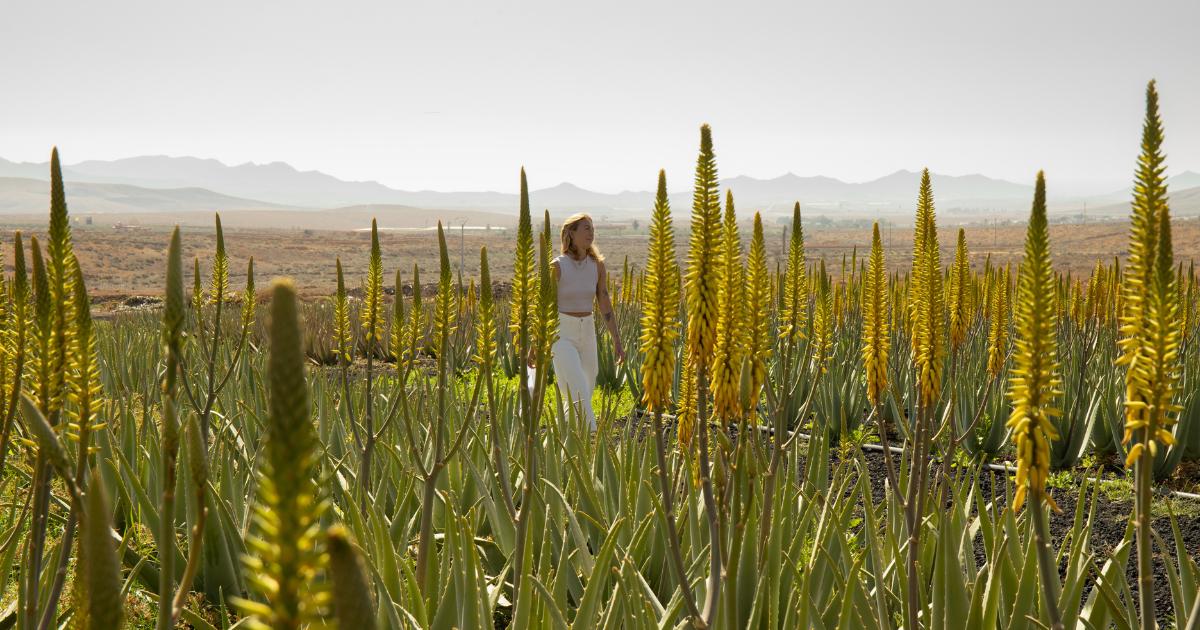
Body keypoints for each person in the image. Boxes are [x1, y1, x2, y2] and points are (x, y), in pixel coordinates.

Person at [531, 213, 625, 431]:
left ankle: (566, 436)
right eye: (585, 228)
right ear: (571, 234)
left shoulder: (597, 265)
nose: (591, 233)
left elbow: (604, 302)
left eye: (592, 228)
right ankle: (592, 438)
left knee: (586, 387)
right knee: (579, 388)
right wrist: (536, 344)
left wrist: (617, 340)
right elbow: (543, 307)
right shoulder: (557, 266)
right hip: (562, 334)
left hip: (588, 331)